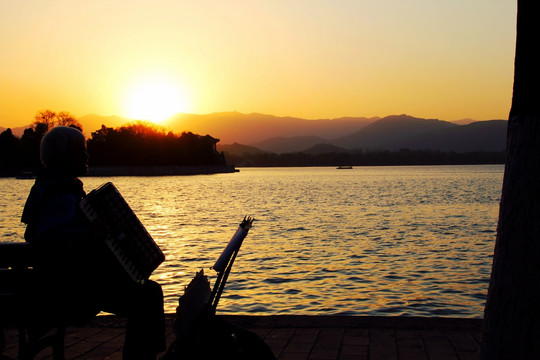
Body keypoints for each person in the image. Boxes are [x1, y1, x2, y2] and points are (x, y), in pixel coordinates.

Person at [21, 126, 165, 360]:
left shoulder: (47, 187)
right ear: (63, 156)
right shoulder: (60, 193)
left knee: (145, 291)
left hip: (60, 286)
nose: (87, 156)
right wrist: (90, 232)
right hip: (69, 293)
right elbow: (49, 239)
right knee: (148, 295)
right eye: (80, 151)